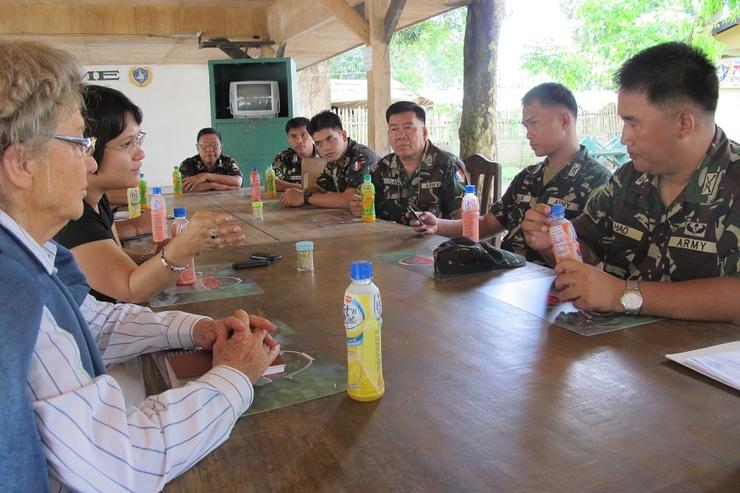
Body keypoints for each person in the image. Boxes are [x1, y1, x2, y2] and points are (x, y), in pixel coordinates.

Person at [0, 40, 280, 493]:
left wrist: (197, 330)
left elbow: (90, 322)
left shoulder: (28, 259)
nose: (89, 162)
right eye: (79, 144)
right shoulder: (9, 289)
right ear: (21, 164)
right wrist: (233, 375)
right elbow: (120, 463)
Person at [522, 42, 739, 322]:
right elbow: (584, 252)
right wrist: (552, 242)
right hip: (617, 353)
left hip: (701, 361)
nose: (624, 137)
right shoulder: (629, 179)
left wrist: (624, 294)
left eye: (633, 123)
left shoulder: (733, 180)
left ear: (684, 124)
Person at [55, 85, 245, 303]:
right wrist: (183, 248)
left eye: (138, 140)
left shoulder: (98, 200)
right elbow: (132, 290)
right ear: (85, 148)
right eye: (127, 144)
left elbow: (112, 255)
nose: (140, 152)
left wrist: (155, 257)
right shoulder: (72, 216)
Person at [415, 83, 611, 264]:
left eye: (534, 123)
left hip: (553, 287)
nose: (528, 134)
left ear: (564, 120)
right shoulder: (528, 177)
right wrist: (437, 225)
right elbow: (488, 224)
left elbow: (592, 261)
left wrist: (548, 245)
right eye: (526, 126)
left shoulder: (599, 182)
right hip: (507, 275)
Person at [348, 101, 467, 224]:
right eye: (394, 129)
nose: (401, 136)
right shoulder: (381, 168)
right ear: (389, 134)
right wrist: (358, 206)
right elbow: (366, 206)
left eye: (408, 128)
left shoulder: (448, 165)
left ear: (424, 132)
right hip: (390, 238)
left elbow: (464, 220)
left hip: (437, 240)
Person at [279, 110, 380, 209]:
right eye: (319, 143)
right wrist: (298, 194)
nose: (326, 148)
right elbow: (320, 188)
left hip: (382, 222)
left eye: (330, 139)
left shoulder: (362, 157)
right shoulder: (334, 158)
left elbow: (351, 199)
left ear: (343, 135)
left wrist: (305, 197)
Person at [179, 127, 243, 192]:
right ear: (197, 147)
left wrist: (206, 176)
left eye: (214, 145)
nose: (209, 149)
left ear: (221, 147)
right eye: (204, 145)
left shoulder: (228, 161)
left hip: (225, 200)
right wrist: (213, 185)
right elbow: (183, 187)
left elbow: (237, 182)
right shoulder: (188, 163)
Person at [271, 116, 320, 191]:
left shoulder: (324, 154)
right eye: (293, 136)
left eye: (304, 135)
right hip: (292, 200)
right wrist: (303, 188)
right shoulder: (284, 157)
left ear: (313, 136)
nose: (299, 141)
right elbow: (272, 182)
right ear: (288, 139)